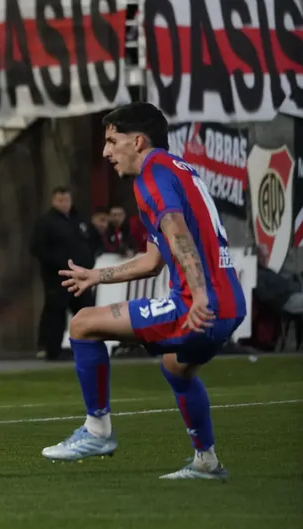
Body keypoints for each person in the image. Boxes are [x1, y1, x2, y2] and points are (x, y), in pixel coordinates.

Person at [46, 102, 245, 481]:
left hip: (197, 305)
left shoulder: (151, 175)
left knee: (83, 324)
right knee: (175, 368)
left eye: (112, 141)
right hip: (231, 306)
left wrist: (200, 295)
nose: (106, 152)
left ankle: (97, 431)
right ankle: (206, 462)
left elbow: (177, 232)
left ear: (137, 141)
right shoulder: (179, 170)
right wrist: (97, 276)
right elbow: (154, 261)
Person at [29, 188, 96, 361]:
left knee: (86, 310)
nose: (64, 204)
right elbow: (37, 248)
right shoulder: (45, 222)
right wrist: (58, 264)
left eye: (66, 200)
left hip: (80, 276)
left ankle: (88, 346)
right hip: (57, 277)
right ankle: (52, 349)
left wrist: (88, 263)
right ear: (53, 201)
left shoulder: (79, 220)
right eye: (60, 200)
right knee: (56, 312)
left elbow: (91, 241)